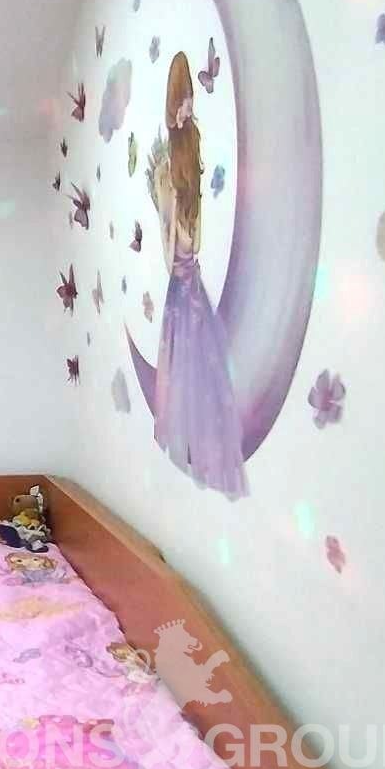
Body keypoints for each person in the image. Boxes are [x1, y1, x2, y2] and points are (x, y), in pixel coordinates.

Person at [150, 51, 247, 499]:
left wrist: (179, 231)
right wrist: (177, 229)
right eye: (184, 96)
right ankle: (194, 451)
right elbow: (180, 237)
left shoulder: (182, 156)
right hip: (186, 280)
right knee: (191, 370)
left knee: (195, 372)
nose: (186, 105)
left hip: (185, 279)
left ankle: (198, 453)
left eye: (186, 96)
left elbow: (182, 236)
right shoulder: (176, 161)